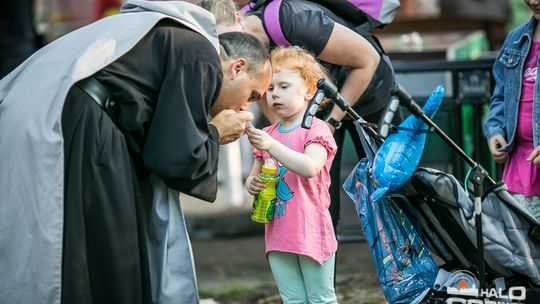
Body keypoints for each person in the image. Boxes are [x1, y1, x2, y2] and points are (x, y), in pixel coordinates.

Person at [0, 1, 271, 303]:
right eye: (252, 95)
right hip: (87, 128)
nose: (246, 107)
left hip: (49, 116)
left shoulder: (158, 31)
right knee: (108, 251)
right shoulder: (199, 51)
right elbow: (173, 157)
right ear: (237, 68)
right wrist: (216, 132)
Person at [235, 0, 399, 230]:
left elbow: (367, 60)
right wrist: (285, 133)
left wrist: (331, 122)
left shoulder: (296, 21)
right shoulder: (244, 52)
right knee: (320, 201)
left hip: (369, 92)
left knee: (390, 187)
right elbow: (260, 89)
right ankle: (320, 251)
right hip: (313, 104)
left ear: (238, 22)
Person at [246, 46, 338, 303]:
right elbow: (254, 176)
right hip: (277, 232)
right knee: (292, 299)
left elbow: (310, 166)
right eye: (271, 88)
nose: (275, 94)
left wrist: (272, 146)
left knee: (321, 298)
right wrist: (251, 183)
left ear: (309, 90)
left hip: (311, 231)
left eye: (284, 86)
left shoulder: (316, 130)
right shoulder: (269, 133)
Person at [484, 0, 540, 222]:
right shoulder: (515, 40)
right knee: (521, 250)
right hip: (518, 169)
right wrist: (495, 131)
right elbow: (500, 96)